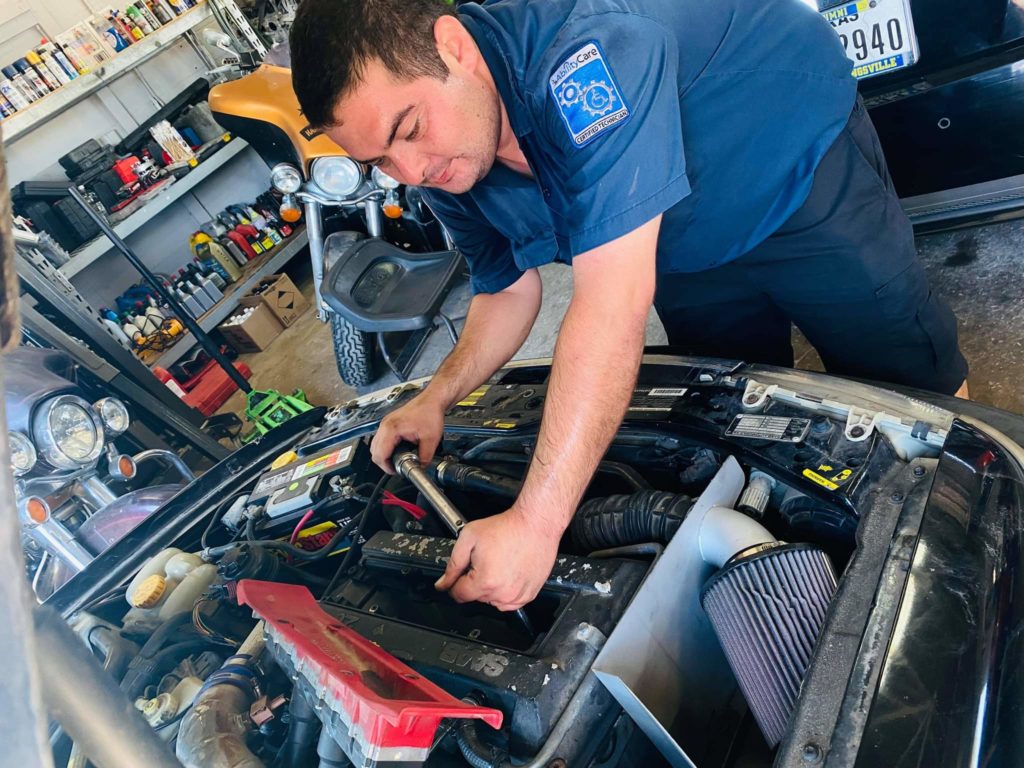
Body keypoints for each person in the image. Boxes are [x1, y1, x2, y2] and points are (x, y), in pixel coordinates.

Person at [289, 0, 969, 611]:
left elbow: (611, 300)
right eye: (380, 161)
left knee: (910, 385)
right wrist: (438, 395)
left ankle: (973, 532)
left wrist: (536, 522)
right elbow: (505, 287)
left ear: (454, 47)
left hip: (790, 166)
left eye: (409, 128)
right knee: (742, 422)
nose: (410, 172)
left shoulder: (586, 50)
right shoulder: (445, 166)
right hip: (674, 242)